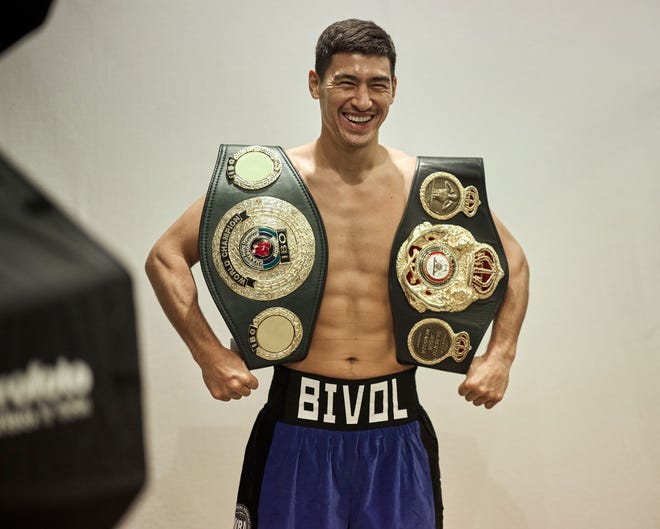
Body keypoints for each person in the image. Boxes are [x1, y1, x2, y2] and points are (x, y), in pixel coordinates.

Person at [145, 18, 529, 529]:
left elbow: (514, 264)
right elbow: (166, 256)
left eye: (377, 84)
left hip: (395, 428)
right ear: (315, 83)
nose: (362, 100)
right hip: (296, 427)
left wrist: (500, 356)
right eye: (346, 82)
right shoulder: (268, 183)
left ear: (394, 90)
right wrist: (207, 353)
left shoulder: (428, 186)